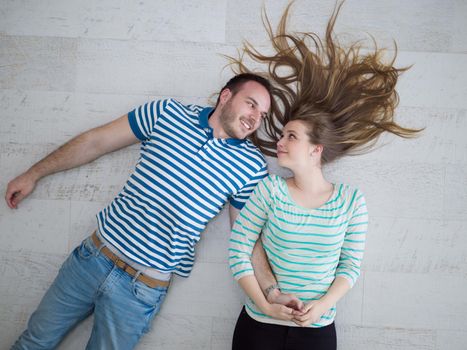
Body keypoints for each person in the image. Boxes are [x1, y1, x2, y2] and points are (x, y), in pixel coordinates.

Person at [5, 73, 297, 349]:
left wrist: (272, 291)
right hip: (92, 259)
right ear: (225, 96)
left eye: (262, 115)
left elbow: (245, 236)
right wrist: (34, 173)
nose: (255, 119)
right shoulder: (166, 113)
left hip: (141, 289)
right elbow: (96, 142)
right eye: (251, 104)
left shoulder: (250, 166)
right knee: (32, 343)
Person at [228, 3, 421, 350]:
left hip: (317, 331)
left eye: (291, 136)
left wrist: (323, 305)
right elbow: (239, 249)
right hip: (258, 327)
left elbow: (350, 266)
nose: (280, 141)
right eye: (282, 133)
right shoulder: (270, 190)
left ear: (316, 150)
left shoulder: (351, 200)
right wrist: (264, 302)